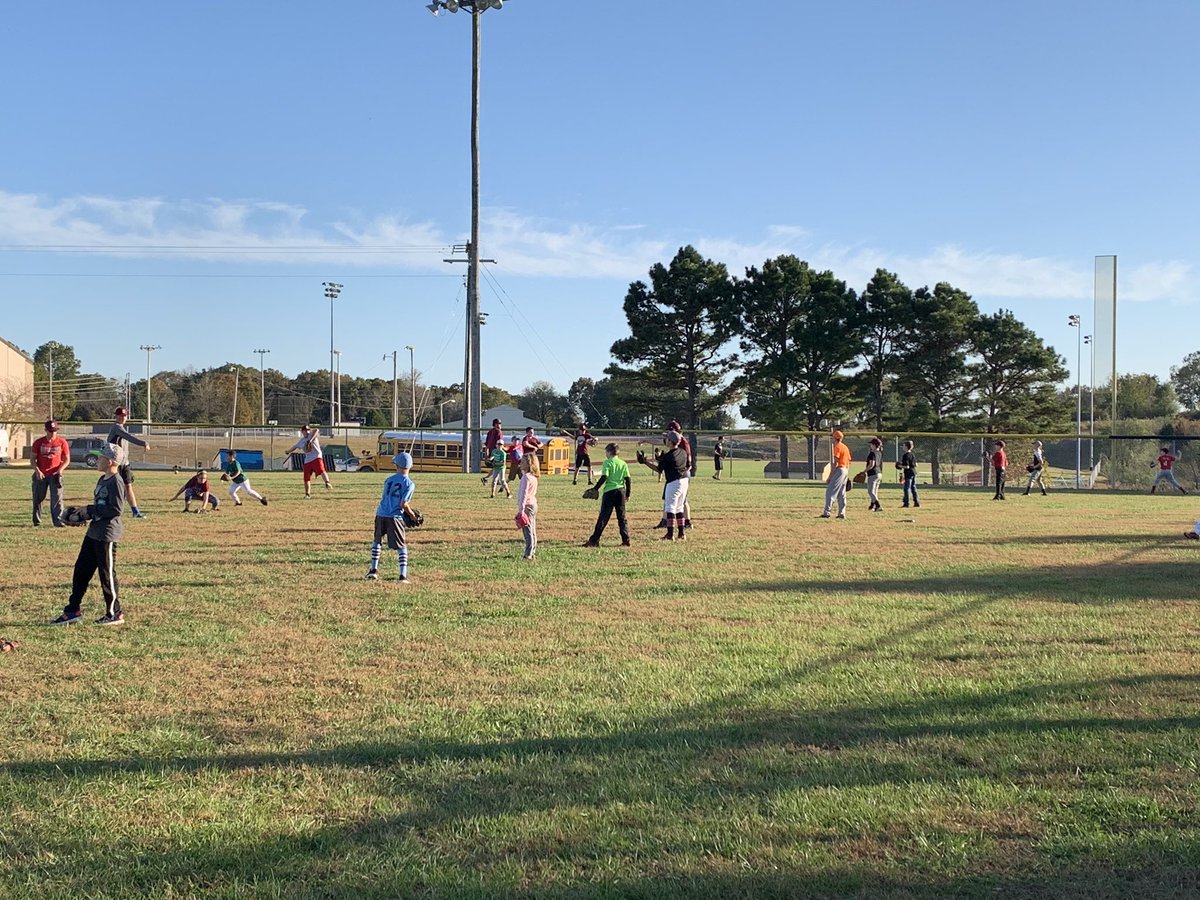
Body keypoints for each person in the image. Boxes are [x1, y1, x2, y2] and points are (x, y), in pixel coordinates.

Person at [52, 442, 127, 626]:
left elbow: (116, 509)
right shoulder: (102, 479)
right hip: (94, 532)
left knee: (106, 574)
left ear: (110, 461)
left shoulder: (116, 482)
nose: (98, 460)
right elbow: (101, 506)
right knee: (81, 571)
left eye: (101, 458)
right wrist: (83, 514)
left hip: (107, 535)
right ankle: (72, 610)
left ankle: (114, 613)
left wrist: (90, 510)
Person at [367, 452, 416, 582]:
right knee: (401, 546)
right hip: (395, 517)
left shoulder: (388, 480)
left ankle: (373, 570)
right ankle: (403, 575)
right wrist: (412, 515)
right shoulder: (409, 484)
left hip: (381, 513)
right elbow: (403, 504)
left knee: (377, 541)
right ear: (411, 466)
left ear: (396, 466)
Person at [636, 431, 690, 541]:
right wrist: (659, 459)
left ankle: (670, 535)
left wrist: (645, 462)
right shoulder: (683, 452)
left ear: (670, 441)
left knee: (670, 508)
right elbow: (686, 465)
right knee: (679, 508)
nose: (665, 440)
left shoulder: (668, 456)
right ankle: (681, 533)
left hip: (674, 482)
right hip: (684, 481)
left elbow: (658, 469)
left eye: (667, 439)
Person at [584, 442, 631, 547]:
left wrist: (595, 488)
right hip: (621, 492)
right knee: (622, 517)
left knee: (603, 517)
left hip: (609, 492)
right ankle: (626, 539)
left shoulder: (607, 462)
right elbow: (628, 479)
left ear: (609, 452)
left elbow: (604, 477)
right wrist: (628, 493)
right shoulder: (623, 463)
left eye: (606, 452)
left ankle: (594, 540)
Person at [107, 406, 150, 518]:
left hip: (124, 463)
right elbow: (128, 437)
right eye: (120, 416)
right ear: (116, 416)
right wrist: (143, 443)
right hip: (116, 464)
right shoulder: (116, 427)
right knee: (116, 488)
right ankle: (109, 509)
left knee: (128, 486)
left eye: (124, 416)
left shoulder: (121, 427)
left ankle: (135, 511)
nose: (122, 418)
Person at [31, 419, 70, 527]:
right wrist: (37, 471)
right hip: (41, 475)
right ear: (46, 430)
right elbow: (32, 459)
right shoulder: (38, 442)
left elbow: (67, 459)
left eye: (55, 431)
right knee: (38, 498)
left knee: (57, 499)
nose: (53, 433)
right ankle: (37, 521)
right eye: (50, 431)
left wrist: (60, 470)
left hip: (55, 474)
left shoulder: (62, 442)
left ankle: (58, 521)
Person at [287, 425, 332, 498]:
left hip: (316, 456)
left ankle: (327, 482)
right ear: (302, 432)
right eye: (305, 430)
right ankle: (307, 494)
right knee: (306, 478)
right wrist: (288, 451)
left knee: (321, 470)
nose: (307, 431)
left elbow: (316, 430)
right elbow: (295, 446)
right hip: (308, 460)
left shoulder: (311, 435)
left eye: (308, 430)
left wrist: (310, 440)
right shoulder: (301, 441)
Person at [820, 430, 852, 519]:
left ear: (834, 438)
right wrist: (846, 474)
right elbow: (848, 461)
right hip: (845, 469)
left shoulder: (837, 447)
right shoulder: (845, 447)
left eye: (832, 437)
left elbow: (836, 462)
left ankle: (827, 512)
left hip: (839, 470)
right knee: (842, 493)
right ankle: (842, 513)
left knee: (830, 491)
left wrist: (830, 476)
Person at [515, 451, 540, 560]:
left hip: (527, 506)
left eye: (523, 461)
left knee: (528, 531)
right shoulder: (533, 477)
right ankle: (532, 550)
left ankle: (528, 554)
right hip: (533, 505)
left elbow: (524, 494)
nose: (521, 462)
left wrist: (521, 510)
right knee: (532, 529)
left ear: (529, 463)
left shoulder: (526, 477)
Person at [482, 419, 505, 484]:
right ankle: (495, 480)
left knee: (495, 467)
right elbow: (500, 443)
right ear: (496, 424)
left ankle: (487, 478)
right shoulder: (499, 432)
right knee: (499, 466)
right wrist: (504, 450)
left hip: (491, 452)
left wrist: (486, 455)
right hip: (497, 452)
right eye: (499, 423)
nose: (500, 425)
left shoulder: (490, 432)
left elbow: (487, 445)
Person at [898, 440, 920, 508]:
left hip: (908, 473)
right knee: (913, 487)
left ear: (907, 447)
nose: (903, 447)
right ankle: (916, 502)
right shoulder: (912, 455)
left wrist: (899, 466)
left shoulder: (905, 455)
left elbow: (906, 466)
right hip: (913, 472)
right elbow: (916, 464)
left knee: (906, 488)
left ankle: (906, 503)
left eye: (904, 446)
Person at [864, 436, 883, 512]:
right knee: (875, 492)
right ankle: (872, 505)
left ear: (875, 445)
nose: (870, 446)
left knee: (870, 491)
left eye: (871, 444)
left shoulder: (872, 453)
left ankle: (878, 506)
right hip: (879, 473)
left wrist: (864, 471)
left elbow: (871, 464)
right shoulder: (879, 453)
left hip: (873, 474)